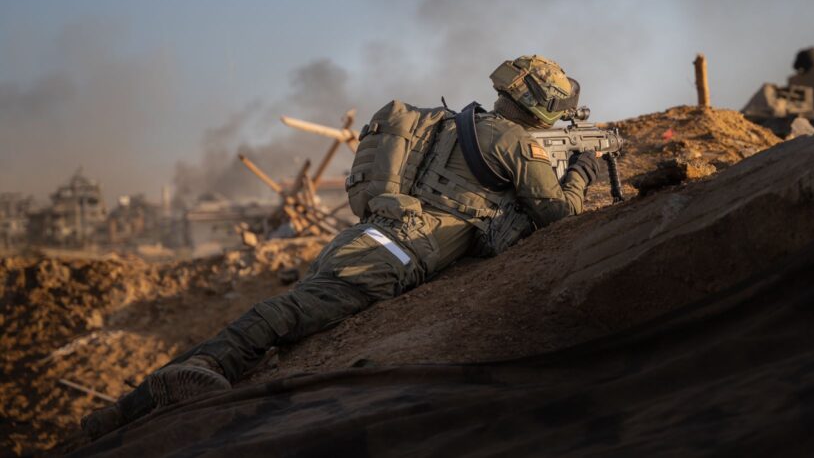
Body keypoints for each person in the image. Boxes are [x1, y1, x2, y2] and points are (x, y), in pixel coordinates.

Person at [83, 54, 600, 438]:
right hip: (392, 255)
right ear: (542, 108)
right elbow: (560, 217)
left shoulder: (453, 122)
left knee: (295, 310)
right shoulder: (517, 145)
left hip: (368, 236)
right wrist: (580, 172)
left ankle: (123, 410)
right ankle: (182, 381)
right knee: (288, 313)